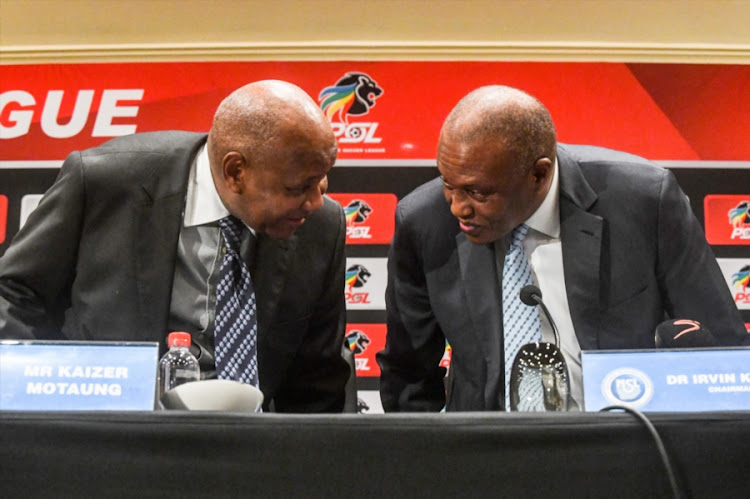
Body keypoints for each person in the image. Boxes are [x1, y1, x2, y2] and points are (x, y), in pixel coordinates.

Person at [377, 85, 748, 412]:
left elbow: (721, 348)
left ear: (538, 175)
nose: (458, 206)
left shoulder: (644, 201)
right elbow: (408, 375)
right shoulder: (424, 221)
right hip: (487, 456)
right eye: (448, 183)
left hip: (621, 446)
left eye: (478, 192)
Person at [0, 80, 351, 413]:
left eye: (322, 179)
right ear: (235, 172)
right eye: (296, 188)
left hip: (249, 450)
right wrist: (50, 396)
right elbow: (13, 293)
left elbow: (318, 380)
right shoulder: (104, 182)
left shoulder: (321, 227)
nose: (315, 203)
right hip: (109, 436)